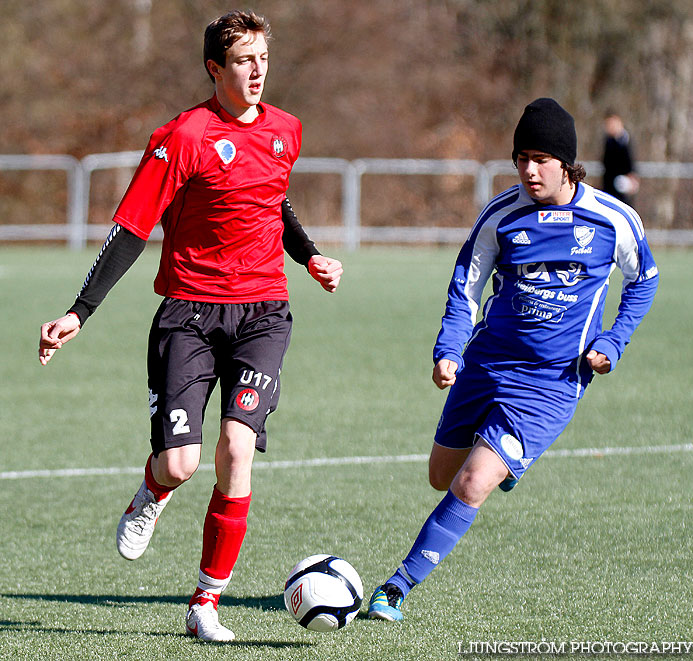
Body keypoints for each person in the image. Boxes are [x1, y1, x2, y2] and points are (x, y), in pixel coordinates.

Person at [38, 10, 343, 642]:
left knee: (237, 449)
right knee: (179, 464)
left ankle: (205, 600)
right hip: (189, 314)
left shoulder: (288, 129)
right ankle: (152, 492)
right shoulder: (182, 136)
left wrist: (308, 253)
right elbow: (131, 228)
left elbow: (273, 200)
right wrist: (78, 311)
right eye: (243, 60)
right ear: (215, 69)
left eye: (263, 57)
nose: (257, 71)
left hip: (264, 313)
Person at [367, 98, 658, 622]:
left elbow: (644, 281)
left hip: (551, 381)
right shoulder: (501, 214)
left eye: (540, 158)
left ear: (567, 163)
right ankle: (502, 456)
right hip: (486, 364)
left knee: (471, 482)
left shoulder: (613, 219)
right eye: (521, 157)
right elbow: (466, 287)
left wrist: (614, 341)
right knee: (440, 475)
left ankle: (397, 585)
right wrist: (449, 349)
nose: (527, 169)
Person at [602, 111, 639, 206]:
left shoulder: (625, 140)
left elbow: (631, 161)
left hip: (623, 182)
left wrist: (632, 177)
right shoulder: (608, 141)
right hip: (610, 184)